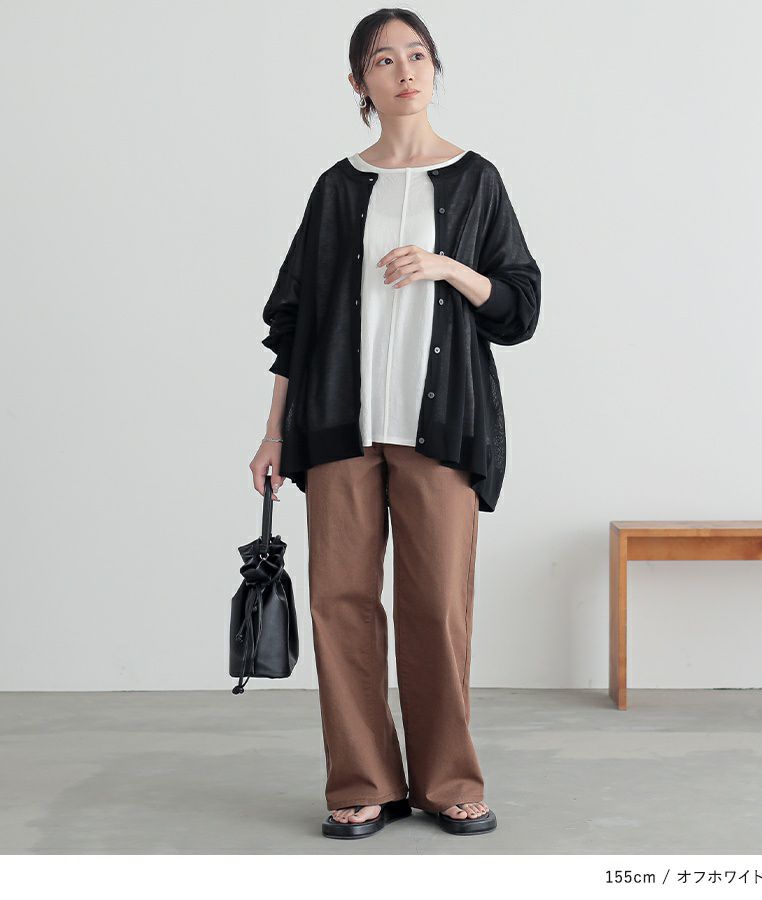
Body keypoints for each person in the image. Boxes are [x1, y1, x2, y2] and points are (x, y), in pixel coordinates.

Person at [249, 8, 541, 839]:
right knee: (341, 602)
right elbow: (294, 322)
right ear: (359, 82)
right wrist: (273, 433)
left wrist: (448, 266)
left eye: (417, 55)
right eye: (384, 60)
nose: (405, 70)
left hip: (439, 430)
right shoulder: (337, 188)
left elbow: (519, 307)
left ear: (435, 69)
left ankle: (449, 781)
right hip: (337, 426)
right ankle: (362, 782)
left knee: (437, 607)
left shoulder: (476, 180)